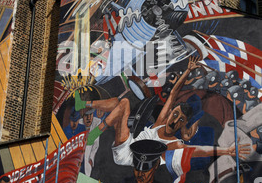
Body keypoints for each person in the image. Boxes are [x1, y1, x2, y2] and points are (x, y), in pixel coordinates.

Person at [75, 56, 250, 170]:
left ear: (183, 124)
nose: (175, 120)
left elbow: (199, 150)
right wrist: (188, 71)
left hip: (129, 156)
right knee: (117, 103)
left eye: (180, 120)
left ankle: (92, 134)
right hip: (129, 141)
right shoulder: (160, 122)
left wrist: (227, 151)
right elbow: (173, 94)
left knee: (125, 103)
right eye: (175, 115)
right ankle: (82, 103)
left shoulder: (174, 144)